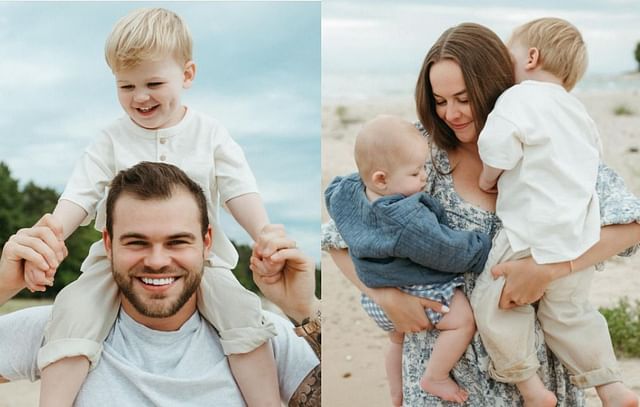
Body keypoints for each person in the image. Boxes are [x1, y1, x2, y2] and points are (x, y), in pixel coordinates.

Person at [323, 22, 640, 405]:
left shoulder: (550, 142)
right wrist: (384, 295)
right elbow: (337, 238)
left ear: (493, 85)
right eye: (440, 101)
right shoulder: (416, 154)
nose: (451, 113)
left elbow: (629, 225)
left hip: (538, 379)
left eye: (463, 97)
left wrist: (548, 271)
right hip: (446, 382)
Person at [23, 8, 283, 407]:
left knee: (243, 315)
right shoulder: (111, 138)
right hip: (116, 261)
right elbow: (81, 192)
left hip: (201, 259)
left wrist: (263, 232)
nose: (139, 97)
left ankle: (265, 400)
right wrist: (51, 234)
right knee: (73, 311)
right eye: (125, 86)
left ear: (187, 75)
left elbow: (238, 188)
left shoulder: (209, 133)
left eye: (154, 83)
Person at [0, 162, 321, 406]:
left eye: (177, 242)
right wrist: (3, 284)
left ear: (207, 243)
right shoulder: (57, 331)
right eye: (136, 242)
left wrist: (305, 310)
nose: (156, 260)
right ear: (108, 244)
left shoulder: (264, 336)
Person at [470, 17, 637, 406]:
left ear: (531, 57)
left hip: (529, 231)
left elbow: (498, 144)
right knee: (571, 313)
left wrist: (488, 177)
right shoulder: (579, 112)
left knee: (494, 303)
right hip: (577, 238)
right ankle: (610, 387)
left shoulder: (518, 97)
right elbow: (592, 163)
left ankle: (530, 388)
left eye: (508, 56)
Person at [324, 115, 491, 404]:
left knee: (396, 341)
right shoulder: (407, 220)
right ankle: (435, 376)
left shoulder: (346, 192)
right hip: (419, 293)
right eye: (415, 173)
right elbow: (448, 251)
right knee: (462, 322)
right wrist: (483, 244)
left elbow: (334, 192)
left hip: (375, 300)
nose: (425, 176)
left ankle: (396, 390)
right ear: (381, 179)